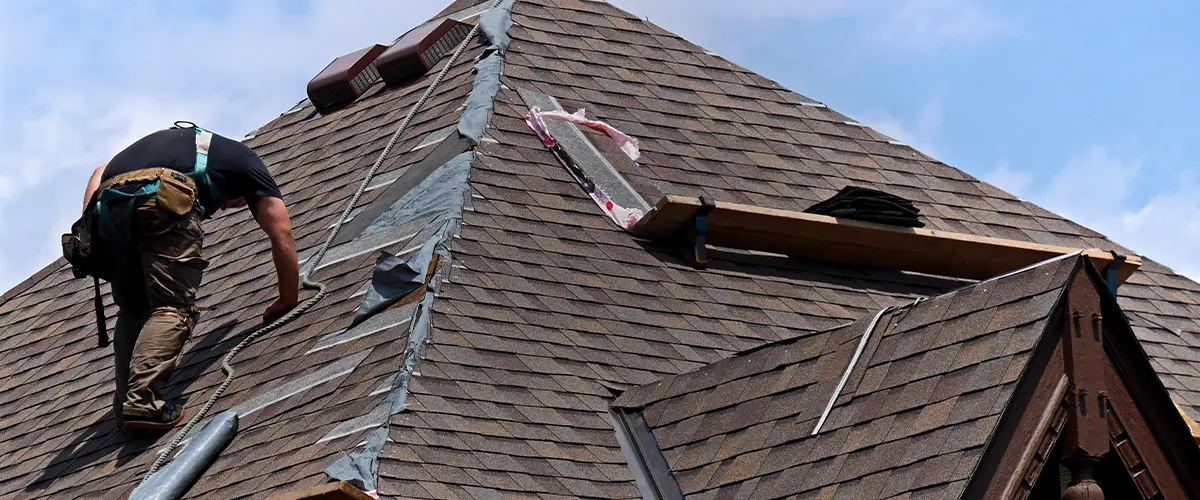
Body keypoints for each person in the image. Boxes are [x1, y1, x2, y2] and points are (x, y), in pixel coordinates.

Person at [79, 123, 299, 432]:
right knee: (174, 306)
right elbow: (282, 231)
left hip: (108, 207)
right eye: (236, 203)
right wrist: (288, 299)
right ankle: (142, 403)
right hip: (158, 195)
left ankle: (125, 408)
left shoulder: (176, 145)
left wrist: (89, 225)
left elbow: (100, 171)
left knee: (134, 311)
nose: (227, 207)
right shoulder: (248, 162)